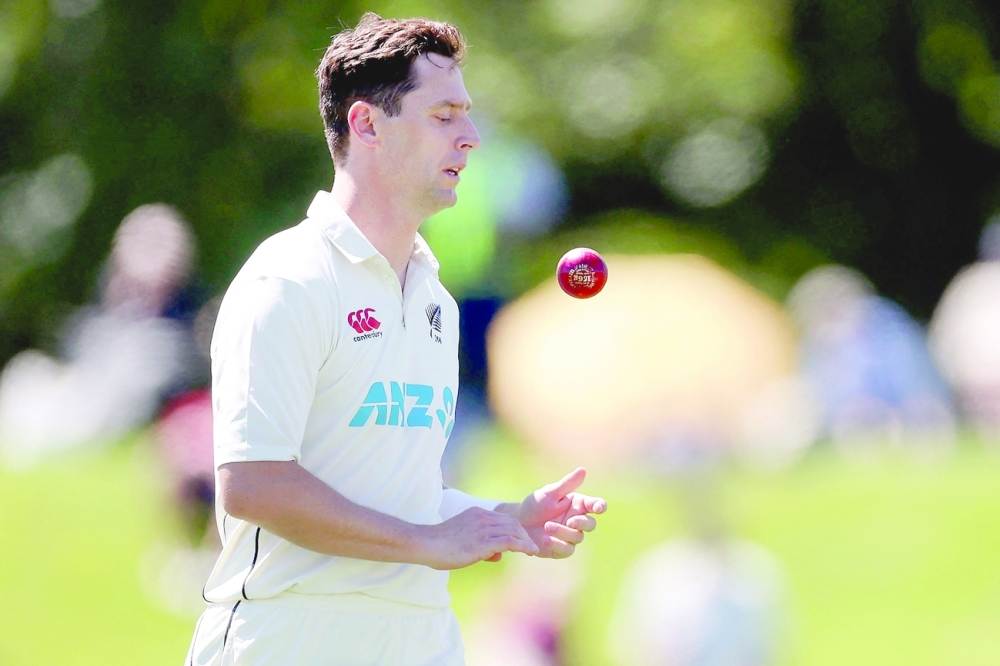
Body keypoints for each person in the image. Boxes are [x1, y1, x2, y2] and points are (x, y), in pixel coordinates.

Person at [186, 13, 607, 666]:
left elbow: (396, 488)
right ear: (366, 125)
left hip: (419, 642)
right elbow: (254, 483)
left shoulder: (434, 297)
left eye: (466, 115)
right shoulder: (289, 279)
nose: (470, 138)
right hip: (289, 643)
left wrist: (505, 519)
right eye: (444, 115)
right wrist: (423, 540)